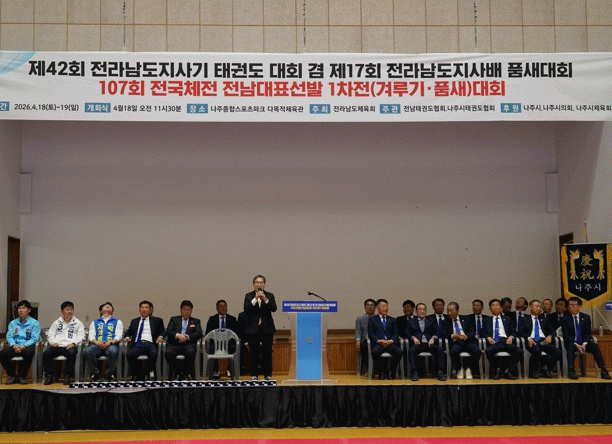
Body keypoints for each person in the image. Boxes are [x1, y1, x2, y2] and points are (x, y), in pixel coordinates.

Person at [561, 296, 611, 380]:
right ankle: (571, 370)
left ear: (579, 306)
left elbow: (588, 333)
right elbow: (566, 334)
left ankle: (603, 369)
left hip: (584, 343)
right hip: (572, 343)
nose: (571, 307)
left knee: (594, 346)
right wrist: (576, 344)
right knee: (570, 347)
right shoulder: (565, 318)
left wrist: (584, 344)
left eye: (573, 305)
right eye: (569, 305)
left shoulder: (586, 317)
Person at [243, 274, 277, 381]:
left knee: (267, 353)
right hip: (253, 329)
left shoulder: (270, 295)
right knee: (254, 353)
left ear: (264, 285)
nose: (259, 284)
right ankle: (254, 375)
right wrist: (255, 298)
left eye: (261, 282)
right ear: (253, 285)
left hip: (266, 328)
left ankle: (268, 375)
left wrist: (265, 299)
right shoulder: (249, 296)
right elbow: (247, 309)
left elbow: (274, 308)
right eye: (257, 282)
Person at [42, 301, 85, 385]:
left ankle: (67, 376)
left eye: (71, 309)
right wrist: (53, 342)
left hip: (70, 346)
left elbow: (81, 336)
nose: (69, 311)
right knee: (46, 353)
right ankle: (49, 376)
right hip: (57, 346)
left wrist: (73, 343)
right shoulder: (56, 322)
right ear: (62, 311)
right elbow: (50, 334)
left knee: (72, 353)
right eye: (67, 309)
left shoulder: (78, 323)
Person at [517, 299, 561, 378]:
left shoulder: (544, 319)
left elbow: (553, 331)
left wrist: (549, 336)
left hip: (543, 341)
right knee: (537, 350)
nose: (539, 308)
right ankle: (534, 370)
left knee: (557, 352)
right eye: (536, 306)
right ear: (530, 307)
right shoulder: (524, 319)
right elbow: (520, 332)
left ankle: (547, 369)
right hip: (532, 341)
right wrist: (528, 338)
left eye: (540, 307)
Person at [0, 300, 41, 385]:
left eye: (23, 308)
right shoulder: (13, 323)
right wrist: (13, 345)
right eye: (19, 308)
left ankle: (22, 376)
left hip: (27, 346)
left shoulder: (34, 323)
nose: (21, 310)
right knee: (2, 354)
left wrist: (23, 346)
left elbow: (34, 338)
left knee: (28, 353)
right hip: (15, 345)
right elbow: (9, 336)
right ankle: (12, 375)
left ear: (29, 310)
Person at [124, 300, 165, 381]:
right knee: (129, 354)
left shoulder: (157, 320)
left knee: (154, 354)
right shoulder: (134, 321)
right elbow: (128, 332)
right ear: (139, 310)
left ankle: (147, 372)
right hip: (138, 344)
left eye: (146, 308)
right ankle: (137, 373)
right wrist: (127, 337)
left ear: (150, 310)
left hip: (150, 344)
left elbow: (162, 331)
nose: (144, 309)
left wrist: (160, 337)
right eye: (142, 308)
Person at [482, 299, 522, 380]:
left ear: (501, 307)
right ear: (490, 308)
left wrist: (511, 337)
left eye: (497, 305)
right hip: (494, 342)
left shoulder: (508, 319)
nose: (495, 307)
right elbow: (482, 332)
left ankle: (509, 370)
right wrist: (488, 337)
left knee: (520, 351)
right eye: (493, 306)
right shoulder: (487, 320)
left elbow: (514, 331)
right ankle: (498, 370)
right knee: (488, 351)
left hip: (506, 342)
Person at [440, 302, 481, 380]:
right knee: (453, 351)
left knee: (477, 351)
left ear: (457, 310)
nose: (449, 313)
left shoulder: (466, 318)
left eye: (451, 310)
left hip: (467, 341)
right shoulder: (444, 322)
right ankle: (459, 369)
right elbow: (443, 333)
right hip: (456, 342)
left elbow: (472, 330)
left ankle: (469, 369)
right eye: (448, 311)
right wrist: (453, 336)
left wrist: (467, 336)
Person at [84, 302, 123, 381]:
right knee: (88, 351)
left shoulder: (118, 321)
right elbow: (91, 336)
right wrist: (98, 343)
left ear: (112, 311)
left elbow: (119, 336)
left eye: (110, 306)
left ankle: (109, 374)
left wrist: (110, 343)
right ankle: (96, 374)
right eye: (105, 306)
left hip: (111, 345)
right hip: (97, 345)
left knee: (113, 351)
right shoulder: (95, 322)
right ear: (100, 311)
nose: (108, 306)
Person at [407, 303, 446, 381]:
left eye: (424, 309)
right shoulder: (411, 321)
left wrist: (433, 338)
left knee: (440, 349)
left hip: (429, 343)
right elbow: (407, 332)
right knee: (411, 350)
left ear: (426, 311)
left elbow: (438, 332)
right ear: (416, 311)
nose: (422, 311)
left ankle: (440, 372)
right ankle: (414, 372)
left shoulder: (431, 321)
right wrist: (413, 338)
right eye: (420, 309)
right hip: (418, 344)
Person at [165, 300, 202, 380]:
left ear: (191, 311)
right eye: (185, 309)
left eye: (189, 310)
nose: (187, 312)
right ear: (181, 310)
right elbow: (168, 332)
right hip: (175, 344)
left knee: (191, 352)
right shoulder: (174, 319)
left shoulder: (196, 321)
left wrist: (187, 337)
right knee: (168, 352)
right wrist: (178, 336)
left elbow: (199, 333)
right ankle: (175, 372)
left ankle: (186, 373)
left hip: (188, 344)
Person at [367, 298, 402, 380]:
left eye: (386, 306)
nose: (385, 308)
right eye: (383, 306)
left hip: (390, 343)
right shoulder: (372, 319)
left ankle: (391, 371)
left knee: (399, 352)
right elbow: (370, 333)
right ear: (377, 308)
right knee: (375, 352)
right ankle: (382, 371)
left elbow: (396, 333)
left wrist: (391, 341)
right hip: (379, 343)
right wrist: (379, 341)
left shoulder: (393, 320)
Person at [205, 299, 240, 378]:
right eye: (220, 307)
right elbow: (208, 334)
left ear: (227, 308)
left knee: (234, 348)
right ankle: (215, 371)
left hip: (229, 343)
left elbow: (237, 334)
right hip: (215, 343)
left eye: (224, 306)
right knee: (211, 348)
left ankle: (231, 370)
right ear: (217, 309)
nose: (223, 308)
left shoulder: (232, 319)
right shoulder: (212, 319)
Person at [355, 298, 376, 374]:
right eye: (368, 305)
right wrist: (358, 340)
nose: (370, 307)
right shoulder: (360, 319)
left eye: (372, 305)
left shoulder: (378, 318)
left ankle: (377, 369)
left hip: (376, 340)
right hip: (365, 340)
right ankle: (369, 369)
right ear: (365, 307)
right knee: (364, 346)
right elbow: (358, 330)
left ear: (375, 307)